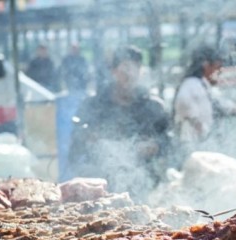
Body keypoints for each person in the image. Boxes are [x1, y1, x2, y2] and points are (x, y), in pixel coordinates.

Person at [67, 45, 170, 202]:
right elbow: (76, 144)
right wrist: (89, 139)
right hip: (101, 188)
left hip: (144, 186)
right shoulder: (93, 105)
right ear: (113, 71)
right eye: (125, 67)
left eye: (136, 68)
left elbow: (168, 141)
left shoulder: (154, 107)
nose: (130, 73)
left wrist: (156, 145)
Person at [173, 45, 236, 161]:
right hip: (191, 146)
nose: (220, 73)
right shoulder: (191, 84)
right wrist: (197, 124)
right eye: (218, 68)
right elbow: (184, 103)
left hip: (201, 146)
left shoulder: (204, 86)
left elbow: (222, 104)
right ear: (206, 65)